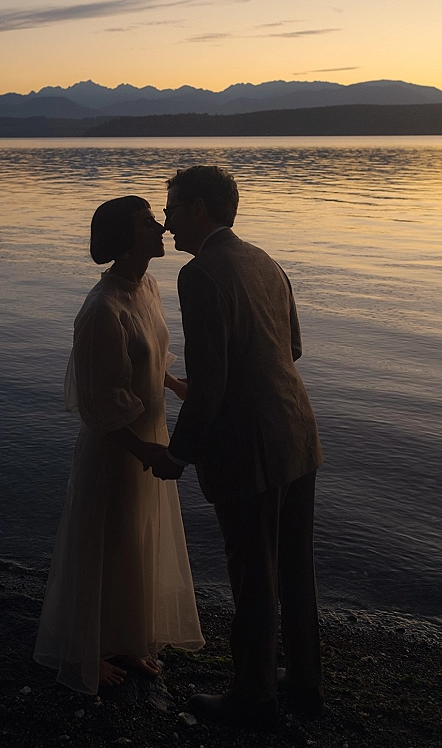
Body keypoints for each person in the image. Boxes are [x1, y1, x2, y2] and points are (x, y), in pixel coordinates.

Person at [149, 166, 324, 728]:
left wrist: (177, 455)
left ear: (198, 210)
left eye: (172, 209)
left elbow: (214, 383)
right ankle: (304, 683)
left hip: (248, 448)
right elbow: (290, 348)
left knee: (252, 576)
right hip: (298, 432)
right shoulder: (264, 260)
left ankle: (253, 696)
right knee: (295, 567)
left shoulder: (200, 276)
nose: (166, 221)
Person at [34, 196, 204, 695]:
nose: (160, 228)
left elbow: (143, 355)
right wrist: (144, 451)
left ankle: (124, 639)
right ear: (126, 240)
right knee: (104, 542)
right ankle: (86, 653)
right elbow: (96, 402)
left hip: (149, 433)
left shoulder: (146, 285)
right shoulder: (101, 309)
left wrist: (173, 384)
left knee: (135, 541)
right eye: (148, 223)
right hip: (117, 449)